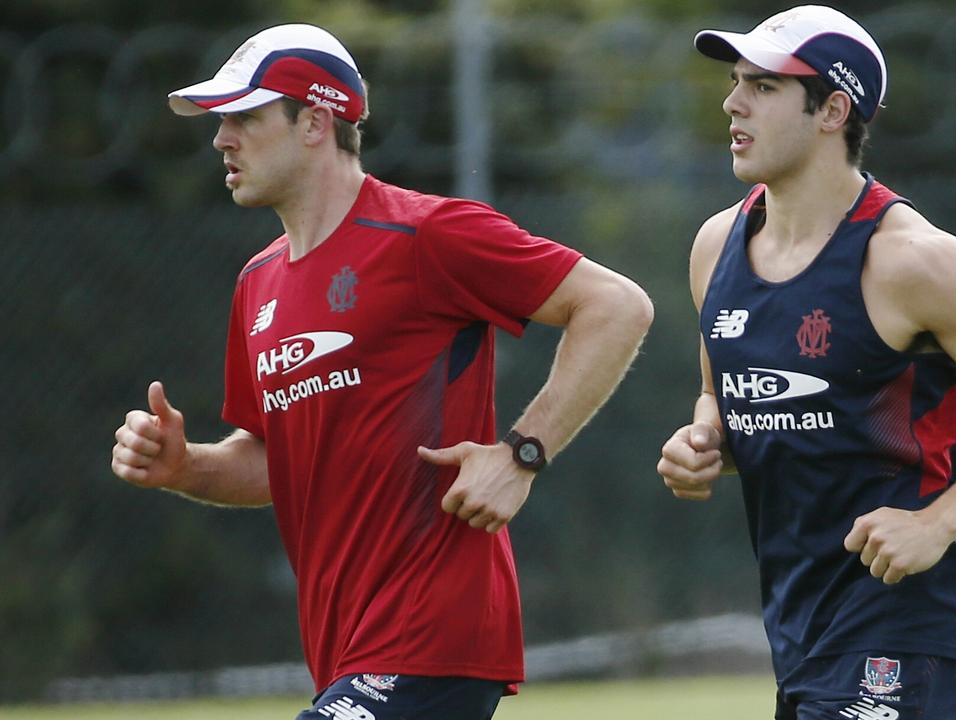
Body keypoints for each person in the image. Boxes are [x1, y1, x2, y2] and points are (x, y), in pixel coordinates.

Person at [110, 23, 653, 720]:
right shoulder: (258, 283)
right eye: (221, 122)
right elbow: (277, 462)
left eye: (245, 117)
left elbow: (616, 305)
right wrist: (186, 467)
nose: (221, 139)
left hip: (433, 638)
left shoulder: (426, 234)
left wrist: (521, 454)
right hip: (343, 648)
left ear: (315, 122)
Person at [656, 6, 956, 720]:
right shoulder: (717, 247)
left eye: (764, 86)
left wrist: (937, 523)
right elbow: (726, 398)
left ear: (833, 109)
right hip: (803, 631)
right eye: (737, 82)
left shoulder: (915, 263)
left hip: (914, 629)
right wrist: (703, 439)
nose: (733, 103)